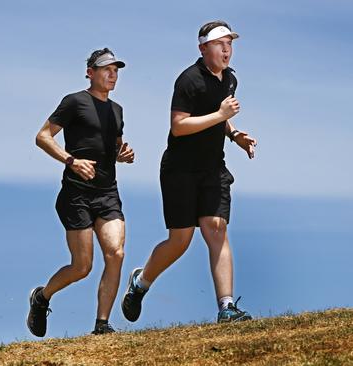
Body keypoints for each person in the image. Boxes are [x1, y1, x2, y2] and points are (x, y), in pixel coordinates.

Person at [121, 20, 257, 324]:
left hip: (213, 169)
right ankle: (140, 283)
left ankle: (226, 307)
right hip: (179, 170)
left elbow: (218, 118)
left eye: (230, 43)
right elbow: (179, 126)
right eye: (220, 43)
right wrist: (222, 115)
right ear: (203, 48)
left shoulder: (230, 79)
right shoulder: (188, 80)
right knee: (180, 241)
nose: (226, 49)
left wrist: (234, 135)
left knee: (216, 228)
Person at [27, 48, 135, 337]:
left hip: (107, 192)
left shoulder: (117, 110)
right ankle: (41, 297)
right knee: (82, 266)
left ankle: (102, 325)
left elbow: (113, 147)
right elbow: (42, 136)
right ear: (90, 72)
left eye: (116, 70)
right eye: (106, 69)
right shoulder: (75, 101)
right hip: (76, 195)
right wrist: (71, 161)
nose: (112, 74)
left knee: (116, 253)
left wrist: (121, 154)